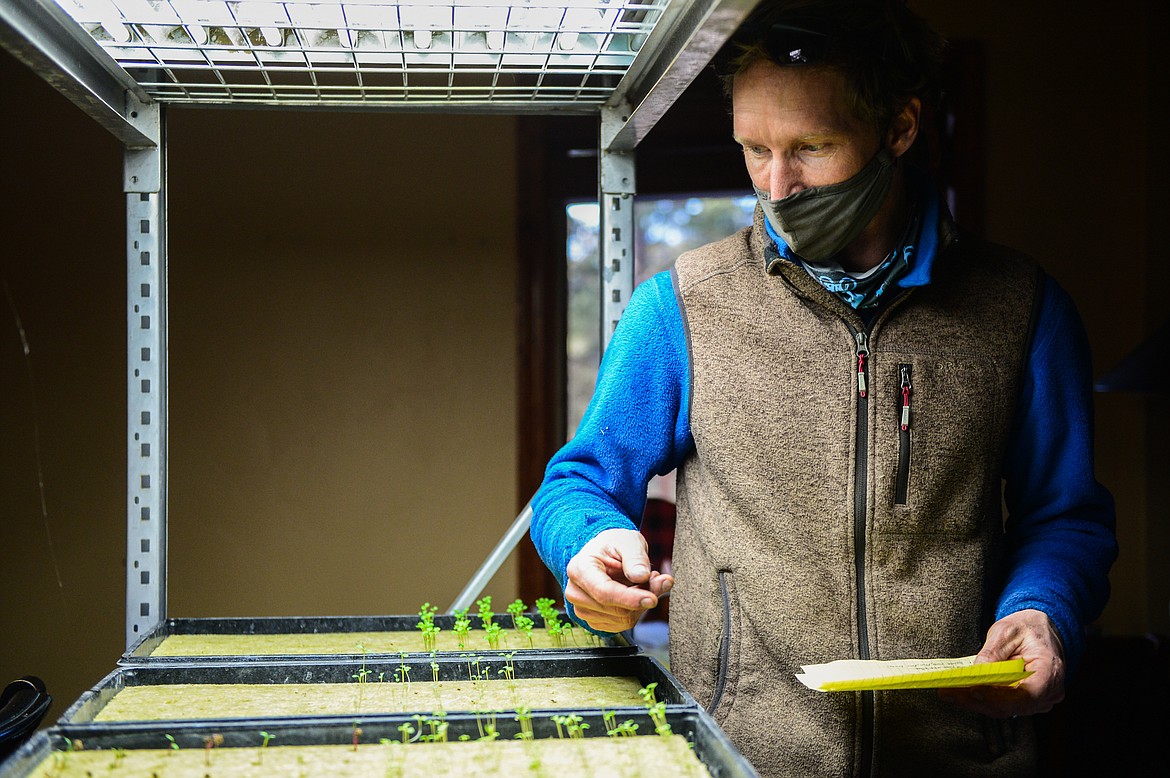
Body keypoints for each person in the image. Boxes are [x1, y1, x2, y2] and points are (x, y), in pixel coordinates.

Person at [529, 0, 1118, 774]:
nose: (778, 185)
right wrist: (586, 543)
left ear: (901, 127)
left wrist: (1044, 613)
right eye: (754, 149)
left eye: (812, 147)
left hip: (968, 755)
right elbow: (576, 483)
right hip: (743, 757)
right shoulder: (680, 306)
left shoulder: (1023, 309)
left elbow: (1065, 519)